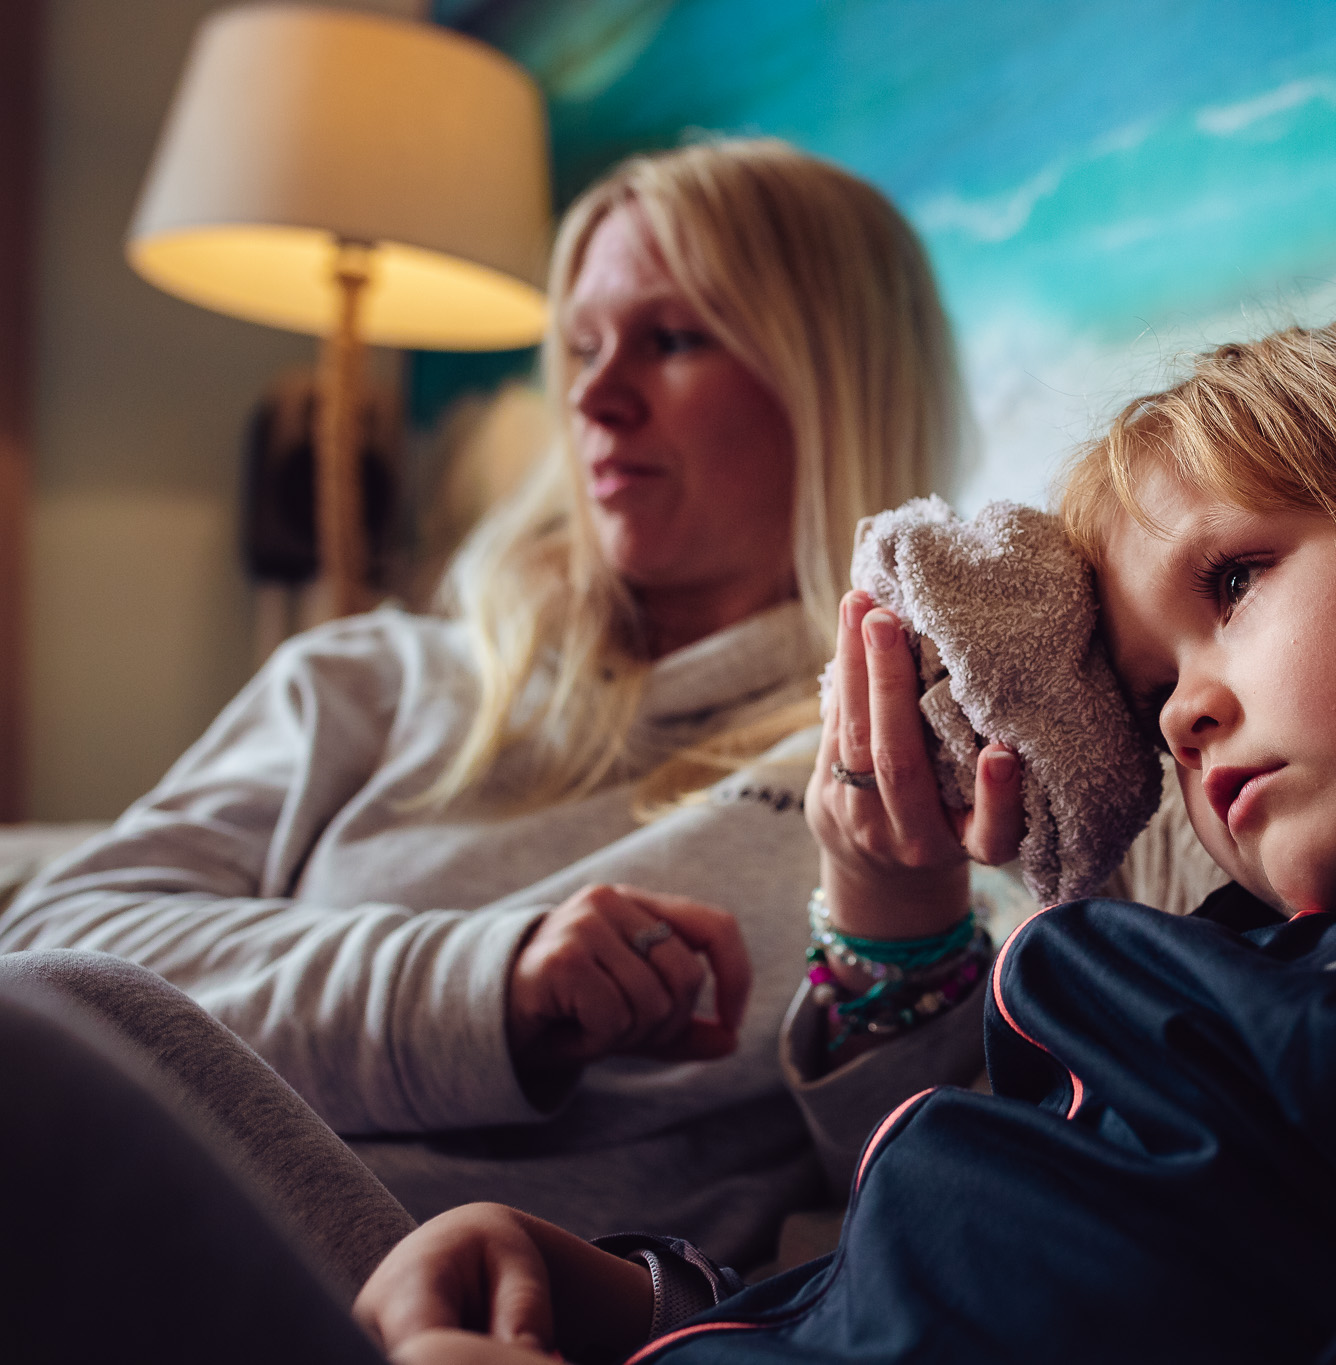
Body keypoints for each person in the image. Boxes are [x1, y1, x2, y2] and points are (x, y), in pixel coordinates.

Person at [3, 303, 1336, 1364]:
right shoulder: (1260, 959)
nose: (1182, 712)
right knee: (63, 1040)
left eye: (1234, 583)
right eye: (1148, 680)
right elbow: (930, 1261)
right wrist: (625, 1295)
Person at [0, 136, 968, 1270]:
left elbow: (939, 1197)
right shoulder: (376, 678)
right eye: (581, 348)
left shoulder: (911, 763)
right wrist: (484, 987)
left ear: (835, 377)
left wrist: (893, 932)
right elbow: (45, 955)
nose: (594, 399)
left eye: (669, 340)